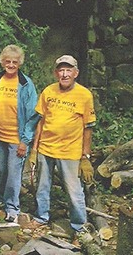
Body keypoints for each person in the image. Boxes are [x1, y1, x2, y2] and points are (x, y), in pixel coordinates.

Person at [26, 55, 95, 238]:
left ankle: (79, 227)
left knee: (74, 191)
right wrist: (34, 150)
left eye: (68, 70)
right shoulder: (48, 91)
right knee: (42, 186)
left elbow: (88, 128)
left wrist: (85, 157)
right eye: (61, 70)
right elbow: (41, 122)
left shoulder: (85, 95)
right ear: (56, 73)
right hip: (46, 149)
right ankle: (41, 217)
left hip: (70, 152)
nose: (64, 74)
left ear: (76, 73)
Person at [0, 44, 39, 222]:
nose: (11, 65)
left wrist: (25, 141)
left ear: (20, 63)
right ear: (2, 62)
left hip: (17, 139)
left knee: (13, 173)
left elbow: (33, 115)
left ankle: (12, 207)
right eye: (7, 61)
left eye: (15, 62)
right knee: (3, 170)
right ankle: (1, 198)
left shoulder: (26, 84)